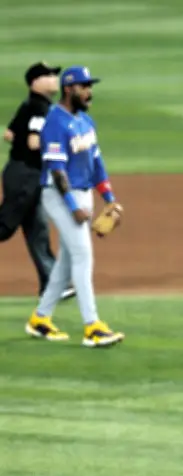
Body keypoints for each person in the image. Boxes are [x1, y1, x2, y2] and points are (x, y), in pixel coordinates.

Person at [25, 66, 125, 347]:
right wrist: (72, 206)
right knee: (83, 255)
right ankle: (92, 326)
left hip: (83, 196)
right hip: (58, 196)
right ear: (69, 89)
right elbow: (57, 171)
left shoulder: (85, 122)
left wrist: (109, 198)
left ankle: (41, 318)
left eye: (90, 85)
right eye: (84, 86)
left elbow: (97, 165)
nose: (89, 91)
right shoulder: (55, 122)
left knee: (67, 261)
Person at [1, 61, 74, 300]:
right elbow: (33, 143)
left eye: (55, 74)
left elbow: (9, 135)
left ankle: (54, 285)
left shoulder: (32, 105)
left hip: (25, 173)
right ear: (35, 82)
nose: (54, 78)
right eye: (48, 75)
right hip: (25, 176)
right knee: (4, 227)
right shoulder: (40, 109)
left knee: (37, 230)